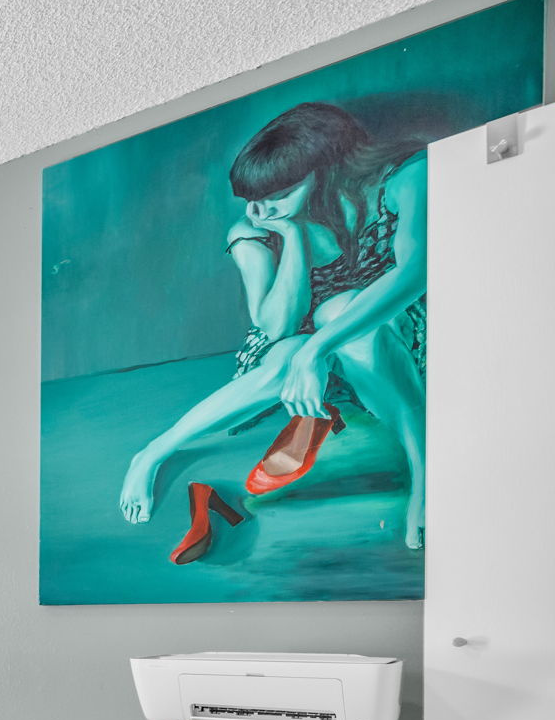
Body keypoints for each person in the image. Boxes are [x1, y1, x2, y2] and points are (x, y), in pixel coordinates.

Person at [118, 102, 428, 552]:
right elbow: (277, 324)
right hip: (298, 350)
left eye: (277, 195)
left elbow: (415, 273)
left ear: (324, 171)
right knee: (289, 351)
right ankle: (152, 453)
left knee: (339, 311)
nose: (260, 209)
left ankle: (423, 472)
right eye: (252, 200)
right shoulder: (257, 229)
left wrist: (316, 350)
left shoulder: (400, 178)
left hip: (390, 335)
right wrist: (295, 235)